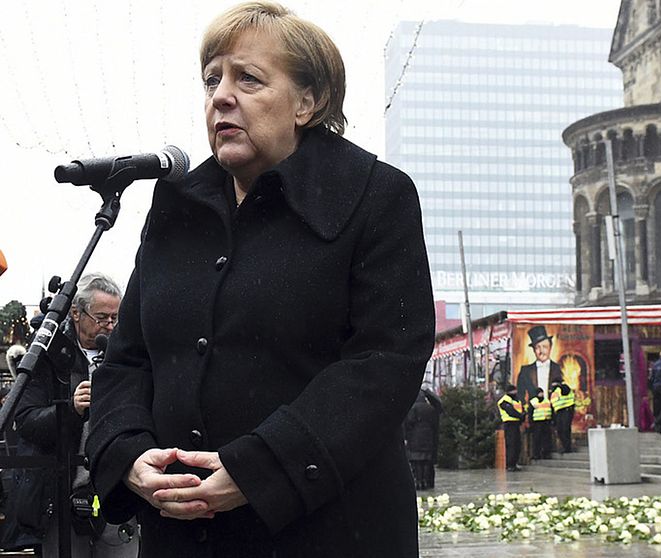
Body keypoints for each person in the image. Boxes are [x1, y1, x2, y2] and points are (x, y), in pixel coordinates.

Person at [84, 3, 435, 557]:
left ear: (308, 102)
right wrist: (126, 453)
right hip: (180, 535)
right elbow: (128, 358)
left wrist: (260, 470)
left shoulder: (375, 195)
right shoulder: (176, 205)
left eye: (248, 78)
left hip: (330, 533)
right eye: (211, 80)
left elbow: (385, 362)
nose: (220, 95)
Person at [14, 273, 139, 557]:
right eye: (102, 317)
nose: (110, 325)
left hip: (117, 493)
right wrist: (70, 409)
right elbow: (25, 422)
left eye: (115, 318)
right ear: (76, 313)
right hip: (60, 499)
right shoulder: (47, 357)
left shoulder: (127, 356)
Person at [403, 387, 442, 490]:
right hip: (428, 438)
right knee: (426, 460)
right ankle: (426, 482)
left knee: (417, 462)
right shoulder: (431, 409)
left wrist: (406, 436)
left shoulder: (412, 408)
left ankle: (418, 482)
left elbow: (408, 424)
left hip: (415, 439)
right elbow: (436, 422)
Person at [516, 325, 563, 405]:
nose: (541, 351)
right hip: (534, 414)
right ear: (534, 350)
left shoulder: (559, 369)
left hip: (555, 414)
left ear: (550, 347)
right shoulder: (525, 371)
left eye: (544, 347)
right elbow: (520, 395)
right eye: (538, 347)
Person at [497, 385, 525, 471]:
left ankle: (514, 464)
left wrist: (523, 416)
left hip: (516, 424)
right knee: (511, 444)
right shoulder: (504, 400)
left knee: (517, 445)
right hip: (509, 424)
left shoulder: (517, 400)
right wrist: (521, 416)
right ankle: (510, 465)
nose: (515, 392)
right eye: (513, 391)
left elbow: (522, 409)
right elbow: (511, 411)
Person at [549, 380, 575, 453]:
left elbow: (565, 390)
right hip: (558, 412)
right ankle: (565, 446)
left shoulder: (563, 388)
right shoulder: (553, 393)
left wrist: (561, 385)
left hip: (566, 410)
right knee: (560, 430)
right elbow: (553, 405)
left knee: (565, 429)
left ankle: (567, 447)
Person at [528, 388, 553, 460]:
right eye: (540, 393)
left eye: (542, 393)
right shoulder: (533, 402)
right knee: (536, 439)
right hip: (537, 423)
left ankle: (546, 453)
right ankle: (536, 454)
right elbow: (530, 413)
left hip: (546, 422)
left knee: (546, 439)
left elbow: (551, 410)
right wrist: (531, 423)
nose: (541, 394)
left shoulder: (547, 401)